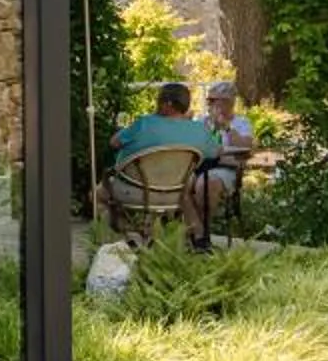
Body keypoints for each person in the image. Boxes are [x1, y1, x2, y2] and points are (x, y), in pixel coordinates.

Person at [99, 81, 220, 246]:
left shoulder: (144, 124)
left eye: (158, 100)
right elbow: (215, 153)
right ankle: (197, 240)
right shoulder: (199, 130)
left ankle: (130, 234)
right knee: (187, 187)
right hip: (176, 195)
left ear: (167, 104)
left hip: (135, 191)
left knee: (97, 196)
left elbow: (114, 143)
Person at [200, 82, 257, 228]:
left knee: (207, 185)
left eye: (213, 100)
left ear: (228, 102)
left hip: (225, 169)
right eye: (208, 100)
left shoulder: (241, 123)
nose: (209, 104)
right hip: (201, 165)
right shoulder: (202, 121)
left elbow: (245, 147)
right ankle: (192, 230)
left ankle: (201, 232)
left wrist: (226, 127)